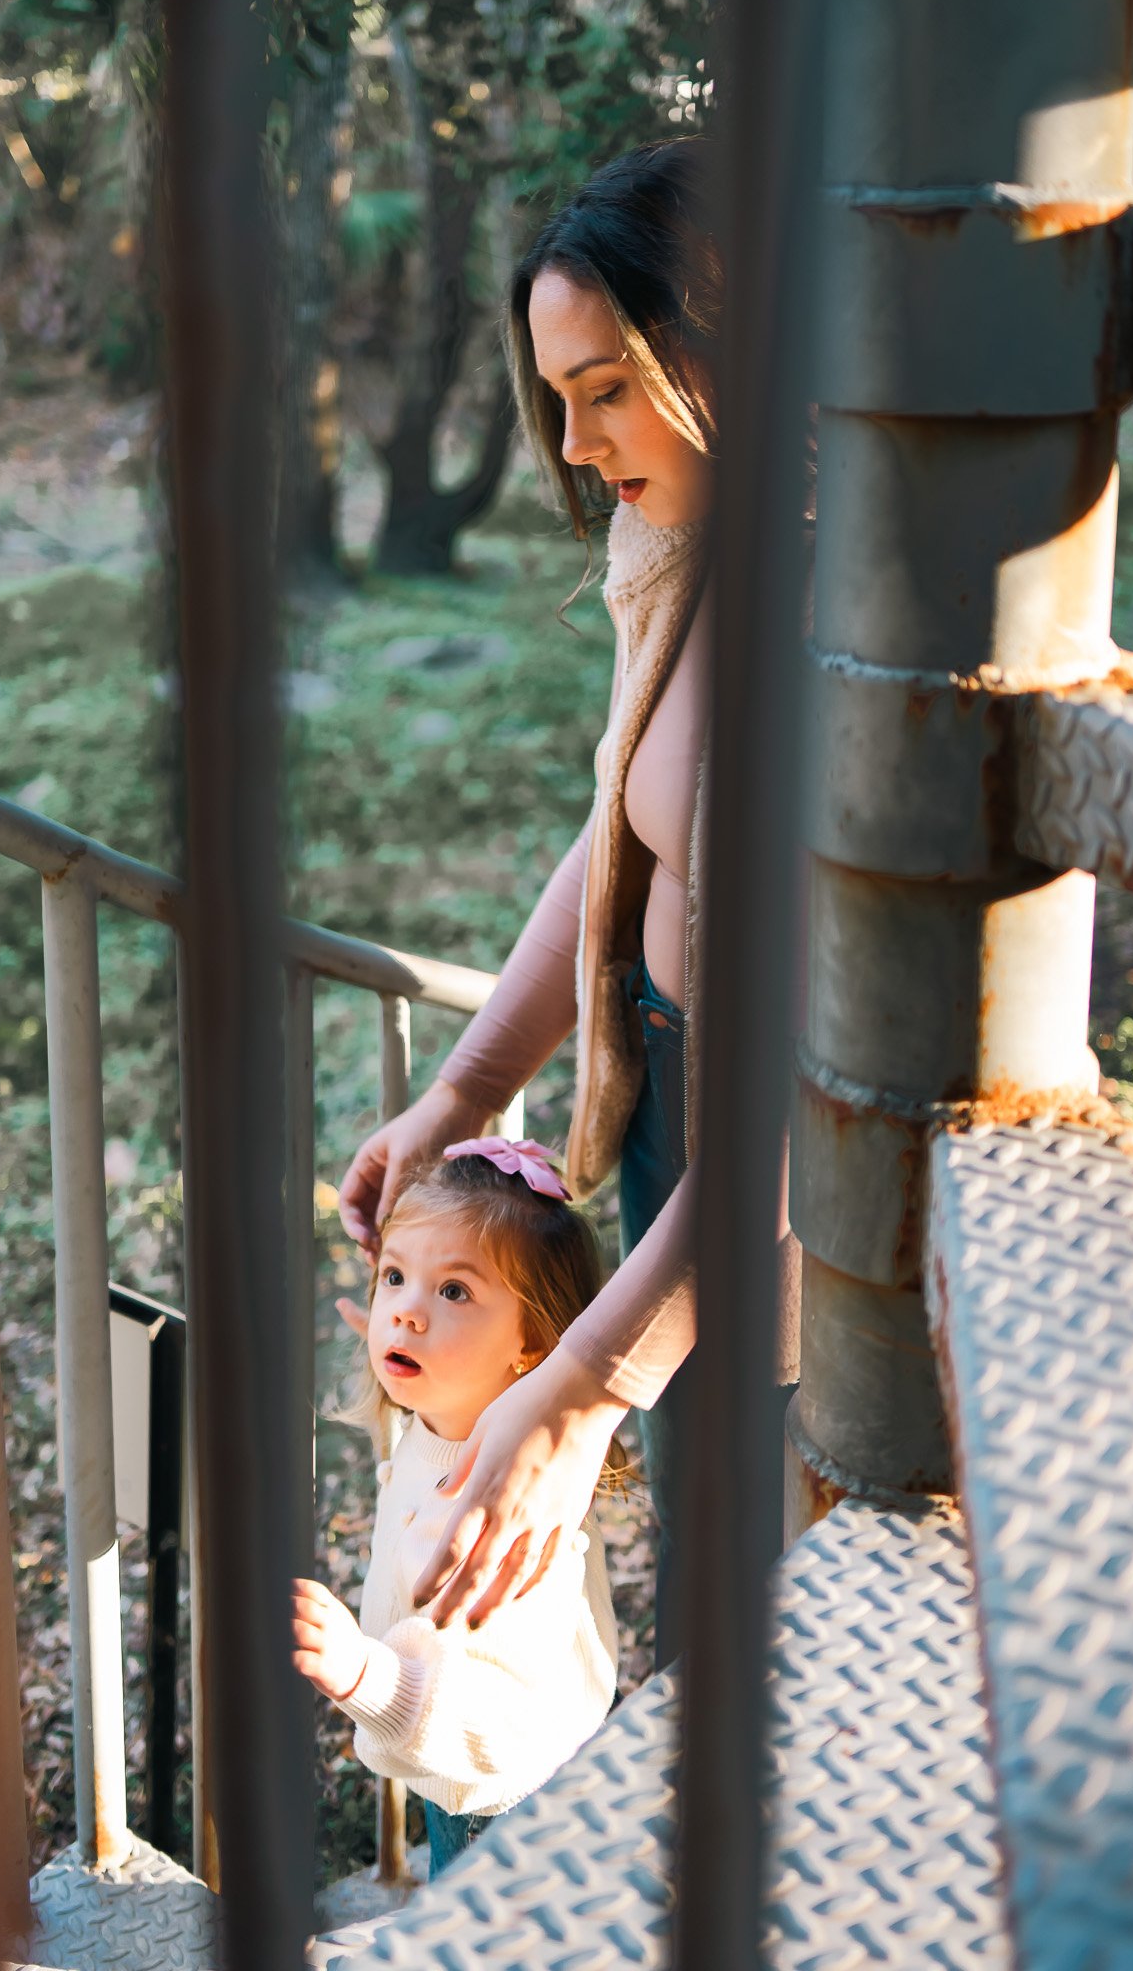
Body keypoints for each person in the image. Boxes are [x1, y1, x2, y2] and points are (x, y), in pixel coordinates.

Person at [337, 138, 800, 1667]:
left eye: (608, 386)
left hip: (800, 1199)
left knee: (801, 1614)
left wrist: (582, 1388)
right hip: (677, 1123)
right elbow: (621, 833)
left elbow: (806, 1122)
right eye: (558, 397)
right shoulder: (674, 541)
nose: (579, 439)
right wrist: (466, 1084)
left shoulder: (850, 624)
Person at [292, 1141, 621, 1879]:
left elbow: (500, 1720)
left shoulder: (507, 1511)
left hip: (503, 1805)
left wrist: (364, 1677)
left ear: (532, 1341)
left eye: (454, 1293)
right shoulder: (451, 1414)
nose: (405, 1313)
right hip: (457, 1776)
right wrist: (413, 1332)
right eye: (394, 1278)